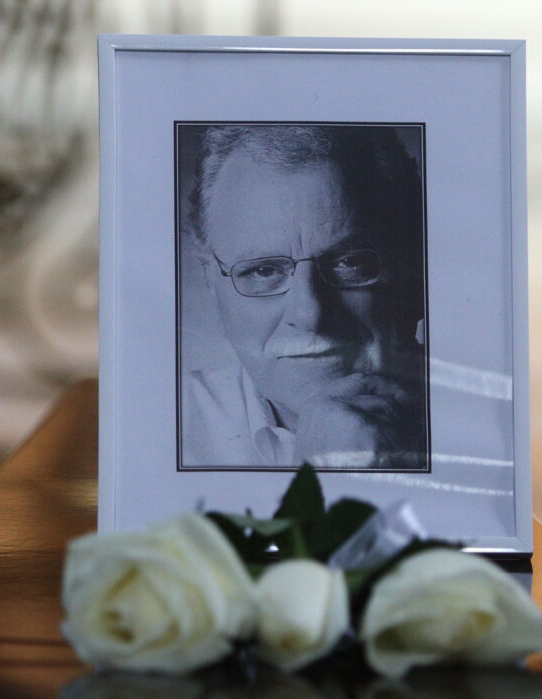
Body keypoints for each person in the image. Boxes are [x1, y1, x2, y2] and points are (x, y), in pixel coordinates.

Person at [181, 124, 428, 469]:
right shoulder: (156, 425)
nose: (310, 313)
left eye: (350, 262)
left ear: (415, 269)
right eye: (263, 270)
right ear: (211, 281)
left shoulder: (492, 414)